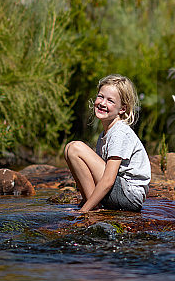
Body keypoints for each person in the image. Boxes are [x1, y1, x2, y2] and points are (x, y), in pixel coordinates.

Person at [64, 74, 151, 213]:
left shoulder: (120, 132)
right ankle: (92, 203)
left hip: (128, 195)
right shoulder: (104, 135)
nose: (103, 103)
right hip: (118, 192)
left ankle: (92, 207)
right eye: (100, 96)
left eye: (110, 100)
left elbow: (108, 179)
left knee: (75, 148)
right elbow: (91, 174)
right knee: (69, 148)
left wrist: (83, 211)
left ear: (122, 109)